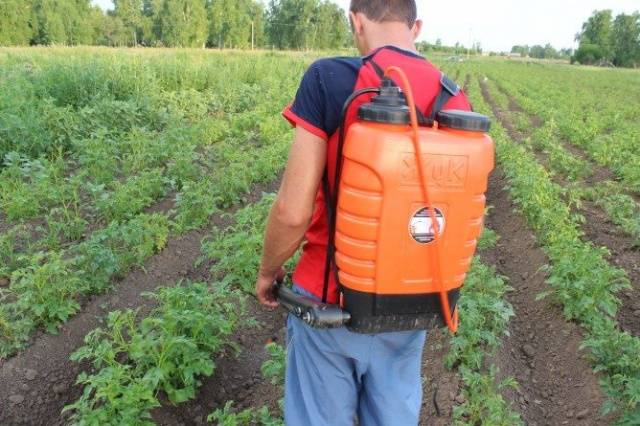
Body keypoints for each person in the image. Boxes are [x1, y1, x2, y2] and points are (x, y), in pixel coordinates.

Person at [255, 1, 471, 424]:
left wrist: (268, 270)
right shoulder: (454, 98)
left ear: (355, 21)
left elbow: (292, 211)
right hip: (413, 305)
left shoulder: (330, 79)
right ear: (417, 27)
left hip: (329, 306)